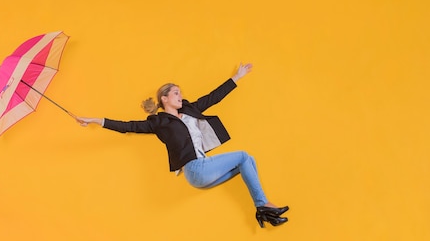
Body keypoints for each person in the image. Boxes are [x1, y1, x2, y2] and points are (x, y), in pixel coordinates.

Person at [76, 63, 289, 228]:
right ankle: (262, 203)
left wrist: (237, 77)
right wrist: (96, 120)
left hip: (201, 173)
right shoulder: (158, 122)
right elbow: (128, 126)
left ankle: (262, 209)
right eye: (176, 93)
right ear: (164, 98)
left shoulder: (188, 110)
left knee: (247, 162)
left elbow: (212, 98)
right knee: (243, 156)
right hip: (195, 169)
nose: (181, 96)